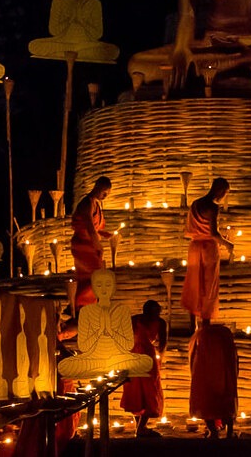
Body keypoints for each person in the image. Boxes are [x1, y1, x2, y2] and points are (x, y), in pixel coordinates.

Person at [56, 268, 153, 379]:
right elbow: (84, 346)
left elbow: (127, 344)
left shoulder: (120, 310)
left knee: (145, 362)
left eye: (107, 285)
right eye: (99, 285)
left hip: (113, 356)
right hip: (95, 358)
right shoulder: (87, 311)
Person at [28, 0, 120, 63]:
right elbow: (54, 30)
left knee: (113, 51)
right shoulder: (59, 0)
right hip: (63, 42)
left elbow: (97, 33)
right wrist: (71, 19)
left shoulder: (94, 2)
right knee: (33, 46)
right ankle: (76, 52)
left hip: (86, 43)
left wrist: (81, 21)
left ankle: (68, 53)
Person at [181, 178, 234, 325]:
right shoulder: (212, 207)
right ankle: (205, 326)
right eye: (225, 193)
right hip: (208, 250)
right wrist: (228, 244)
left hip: (194, 248)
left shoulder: (196, 204)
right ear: (220, 190)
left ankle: (193, 326)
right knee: (208, 286)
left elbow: (190, 230)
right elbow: (213, 234)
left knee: (194, 285)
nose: (224, 196)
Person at [120, 300, 168, 438]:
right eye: (154, 312)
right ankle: (140, 427)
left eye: (158, 312)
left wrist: (160, 359)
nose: (156, 315)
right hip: (133, 356)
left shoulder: (160, 323)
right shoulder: (134, 320)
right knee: (135, 391)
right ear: (146, 311)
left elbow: (163, 343)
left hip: (148, 357)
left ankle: (141, 427)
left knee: (150, 391)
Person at [189, 320, 238, 439]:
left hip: (206, 375)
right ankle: (229, 432)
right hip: (222, 374)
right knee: (225, 400)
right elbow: (233, 358)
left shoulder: (201, 335)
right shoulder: (223, 334)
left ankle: (214, 431)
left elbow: (193, 357)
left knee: (208, 403)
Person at [70, 176, 112, 310]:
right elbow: (88, 227)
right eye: (104, 193)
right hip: (83, 244)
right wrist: (97, 244)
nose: (105, 196)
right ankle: (81, 306)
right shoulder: (86, 203)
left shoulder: (96, 204)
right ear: (98, 187)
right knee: (90, 275)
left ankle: (90, 304)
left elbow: (95, 228)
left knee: (95, 275)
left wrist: (103, 234)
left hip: (90, 243)